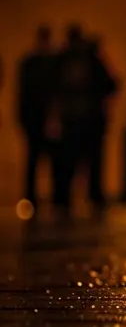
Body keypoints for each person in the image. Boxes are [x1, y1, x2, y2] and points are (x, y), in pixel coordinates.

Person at [53, 26, 118, 214]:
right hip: (85, 120)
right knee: (86, 161)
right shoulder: (86, 60)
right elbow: (110, 85)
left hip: (79, 120)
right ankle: (85, 196)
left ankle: (66, 198)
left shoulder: (66, 59)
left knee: (72, 162)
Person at [16, 25, 58, 209]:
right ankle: (34, 196)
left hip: (41, 119)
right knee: (35, 159)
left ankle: (45, 196)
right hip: (36, 119)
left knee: (44, 159)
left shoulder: (36, 63)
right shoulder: (36, 63)